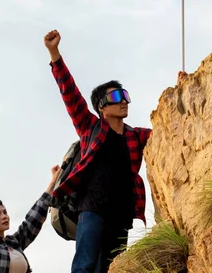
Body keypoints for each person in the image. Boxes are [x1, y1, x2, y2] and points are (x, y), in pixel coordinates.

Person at [43, 29, 152, 273]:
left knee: (110, 269)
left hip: (121, 217)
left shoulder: (137, 136)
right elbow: (69, 93)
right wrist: (54, 53)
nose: (124, 101)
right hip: (92, 210)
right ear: (102, 107)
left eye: (125, 95)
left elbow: (167, 129)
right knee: (84, 266)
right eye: (116, 96)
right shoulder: (91, 128)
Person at [0, 160, 60, 272]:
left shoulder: (14, 242)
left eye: (5, 212)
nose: (4, 216)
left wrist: (54, 181)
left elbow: (34, 218)